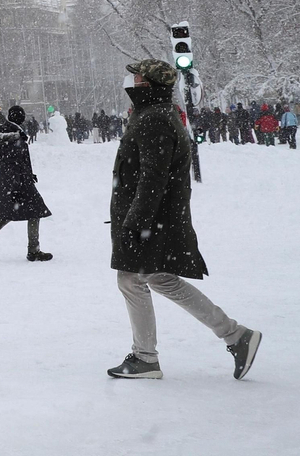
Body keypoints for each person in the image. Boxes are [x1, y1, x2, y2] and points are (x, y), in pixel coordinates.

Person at [106, 59, 260, 381]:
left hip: (151, 220)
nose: (130, 82)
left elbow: (153, 178)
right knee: (156, 278)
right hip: (156, 218)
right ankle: (234, 336)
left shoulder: (155, 120)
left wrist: (135, 222)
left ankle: (147, 358)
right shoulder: (158, 115)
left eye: (137, 78)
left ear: (149, 85)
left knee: (132, 279)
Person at [0, 105, 52, 262]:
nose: (23, 119)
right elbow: (12, 165)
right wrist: (16, 186)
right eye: (21, 116)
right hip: (18, 183)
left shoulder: (6, 134)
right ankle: (33, 251)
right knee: (34, 211)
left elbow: (13, 163)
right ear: (17, 118)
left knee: (7, 214)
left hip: (12, 182)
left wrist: (28, 174)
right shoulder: (14, 137)